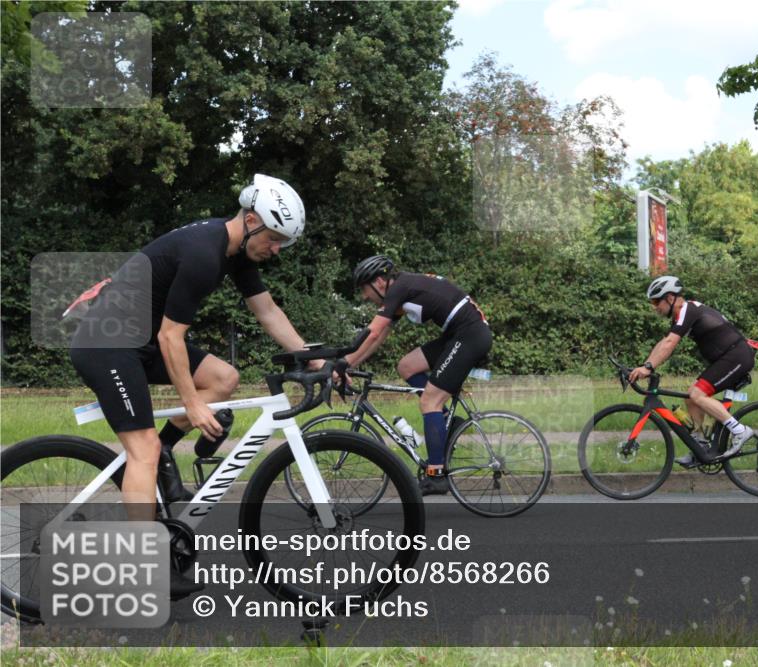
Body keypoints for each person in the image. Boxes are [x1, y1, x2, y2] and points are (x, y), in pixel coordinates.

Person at [68, 174, 318, 595]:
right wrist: (192, 404)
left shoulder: (234, 250)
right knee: (140, 450)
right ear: (253, 220)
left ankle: (164, 449)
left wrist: (315, 356)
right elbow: (171, 337)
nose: (276, 251)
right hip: (107, 344)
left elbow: (268, 311)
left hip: (140, 341)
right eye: (276, 239)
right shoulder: (204, 254)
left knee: (224, 378)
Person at [342, 256, 492, 495]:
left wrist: (342, 362)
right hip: (458, 334)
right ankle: (447, 421)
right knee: (406, 367)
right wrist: (350, 364)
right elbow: (379, 337)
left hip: (469, 335)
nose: (364, 296)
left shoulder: (399, 288)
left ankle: (436, 475)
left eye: (364, 289)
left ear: (379, 282)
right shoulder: (402, 289)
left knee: (429, 401)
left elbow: (373, 332)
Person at [628, 276, 755, 467]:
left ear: (670, 298)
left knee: (697, 394)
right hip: (727, 358)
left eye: (656, 301)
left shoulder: (689, 309)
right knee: (690, 396)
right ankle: (700, 446)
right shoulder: (681, 315)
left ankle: (740, 431)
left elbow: (670, 343)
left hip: (736, 356)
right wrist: (645, 365)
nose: (654, 307)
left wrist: (648, 368)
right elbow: (664, 342)